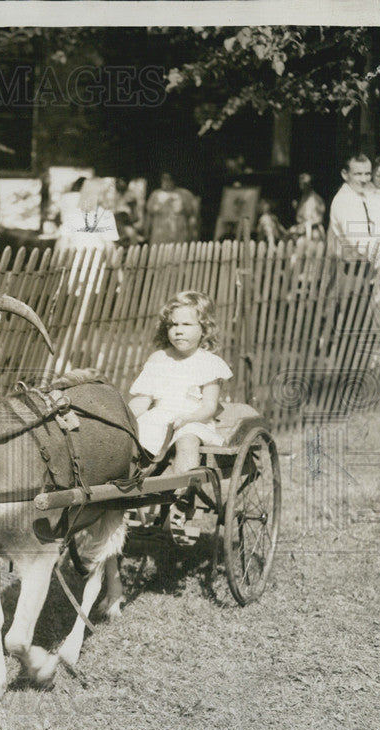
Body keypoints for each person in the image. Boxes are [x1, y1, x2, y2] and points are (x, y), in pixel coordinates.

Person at [128, 291, 233, 542]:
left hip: (193, 419)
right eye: (173, 324)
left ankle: (181, 500)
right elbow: (143, 400)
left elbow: (209, 406)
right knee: (134, 438)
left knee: (187, 441)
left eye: (187, 324)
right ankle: (133, 495)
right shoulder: (159, 359)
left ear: (204, 329)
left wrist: (187, 419)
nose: (178, 331)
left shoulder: (208, 363)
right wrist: (126, 419)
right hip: (160, 416)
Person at [327, 154, 376, 264]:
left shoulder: (360, 195)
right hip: (349, 270)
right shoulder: (345, 201)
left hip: (363, 266)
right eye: (358, 174)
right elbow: (359, 242)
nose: (364, 179)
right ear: (345, 174)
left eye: (367, 174)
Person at [144, 173, 198, 245]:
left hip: (179, 235)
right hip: (159, 235)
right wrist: (146, 232)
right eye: (163, 179)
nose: (165, 182)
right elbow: (149, 216)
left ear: (173, 180)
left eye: (168, 179)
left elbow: (192, 216)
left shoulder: (185, 194)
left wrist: (193, 234)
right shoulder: (155, 195)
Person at [288, 172, 326, 243]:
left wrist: (306, 225)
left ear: (309, 184)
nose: (302, 186)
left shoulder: (315, 199)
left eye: (304, 184)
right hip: (301, 228)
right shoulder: (302, 198)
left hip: (313, 231)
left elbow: (318, 219)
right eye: (300, 183)